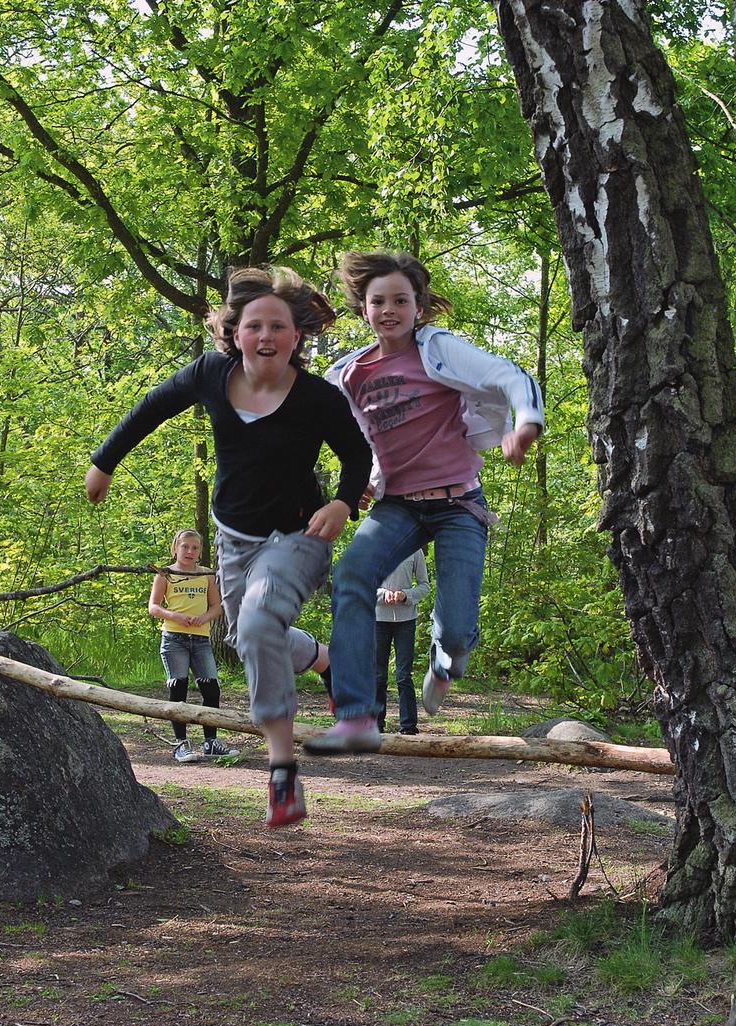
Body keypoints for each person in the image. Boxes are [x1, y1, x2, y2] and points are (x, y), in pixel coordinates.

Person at [85, 267, 372, 825]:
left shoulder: (316, 397)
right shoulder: (210, 375)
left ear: (297, 337)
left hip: (298, 536)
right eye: (254, 326)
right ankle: (324, 660)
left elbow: (356, 455)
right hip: (235, 539)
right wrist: (104, 461)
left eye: (279, 327)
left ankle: (282, 770)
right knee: (247, 638)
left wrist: (342, 503)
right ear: (234, 334)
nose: (266, 337)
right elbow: (149, 408)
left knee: (261, 620)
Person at [305, 250, 544, 754]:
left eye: (400, 300)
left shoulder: (438, 349)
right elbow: (352, 439)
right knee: (351, 573)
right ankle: (355, 714)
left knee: (457, 632)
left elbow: (507, 376)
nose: (389, 309)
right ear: (363, 309)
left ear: (419, 306)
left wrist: (524, 425)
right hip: (399, 507)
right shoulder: (348, 374)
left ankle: (445, 661)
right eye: (378, 301)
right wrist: (362, 481)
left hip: (459, 505)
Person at [149, 528, 238, 763]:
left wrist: (204, 618)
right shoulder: (165, 573)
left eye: (195, 547)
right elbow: (154, 607)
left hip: (200, 639)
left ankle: (210, 742)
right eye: (185, 546)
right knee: (178, 688)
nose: (190, 551)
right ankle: (181, 744)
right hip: (174, 638)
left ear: (200, 551)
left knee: (211, 689)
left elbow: (216, 606)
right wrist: (175, 616)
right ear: (176, 548)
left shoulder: (206, 574)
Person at [375, 547, 430, 735]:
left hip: (406, 621)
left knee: (404, 675)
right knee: (377, 675)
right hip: (377, 620)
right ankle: (375, 725)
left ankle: (409, 726)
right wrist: (383, 594)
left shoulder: (415, 550)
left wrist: (406, 595)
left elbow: (425, 586)